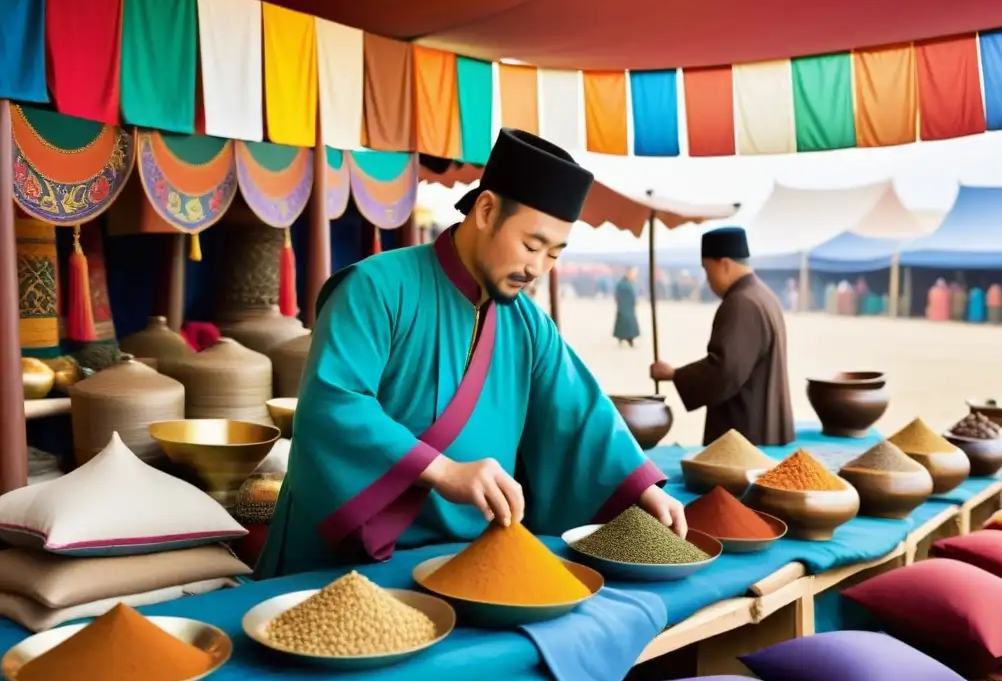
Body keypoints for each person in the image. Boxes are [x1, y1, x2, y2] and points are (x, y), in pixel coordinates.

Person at [256, 129, 684, 578]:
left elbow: (581, 417)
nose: (537, 268)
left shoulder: (529, 327)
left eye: (554, 254)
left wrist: (638, 489)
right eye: (531, 245)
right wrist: (443, 471)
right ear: (485, 210)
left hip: (462, 559)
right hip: (342, 555)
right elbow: (334, 402)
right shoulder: (374, 287)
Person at [649, 227, 794, 446]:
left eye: (708, 271)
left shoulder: (741, 303)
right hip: (763, 420)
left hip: (745, 433)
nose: (708, 281)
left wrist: (675, 375)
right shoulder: (763, 295)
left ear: (724, 264)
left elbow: (725, 370)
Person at [613, 268, 640, 346]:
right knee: (624, 321)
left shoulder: (630, 283)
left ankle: (629, 338)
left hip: (630, 307)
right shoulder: (622, 284)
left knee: (629, 323)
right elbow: (618, 295)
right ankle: (623, 337)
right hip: (623, 306)